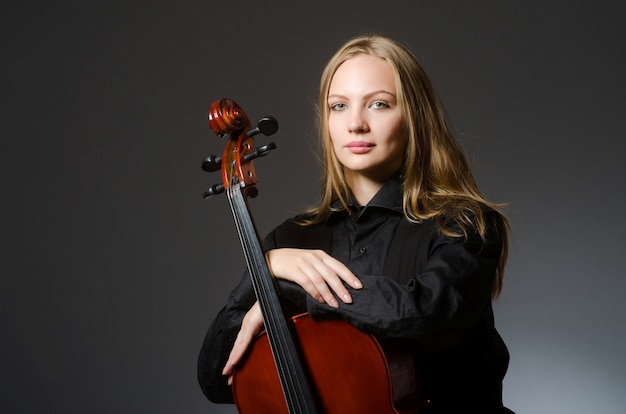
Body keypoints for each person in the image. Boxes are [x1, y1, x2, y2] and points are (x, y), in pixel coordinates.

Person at [197, 34, 514, 413]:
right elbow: (216, 380)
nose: (356, 124)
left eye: (379, 104)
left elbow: (427, 316)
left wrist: (297, 290)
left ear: (413, 116)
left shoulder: (465, 225)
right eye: (339, 106)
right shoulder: (290, 242)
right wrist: (265, 270)